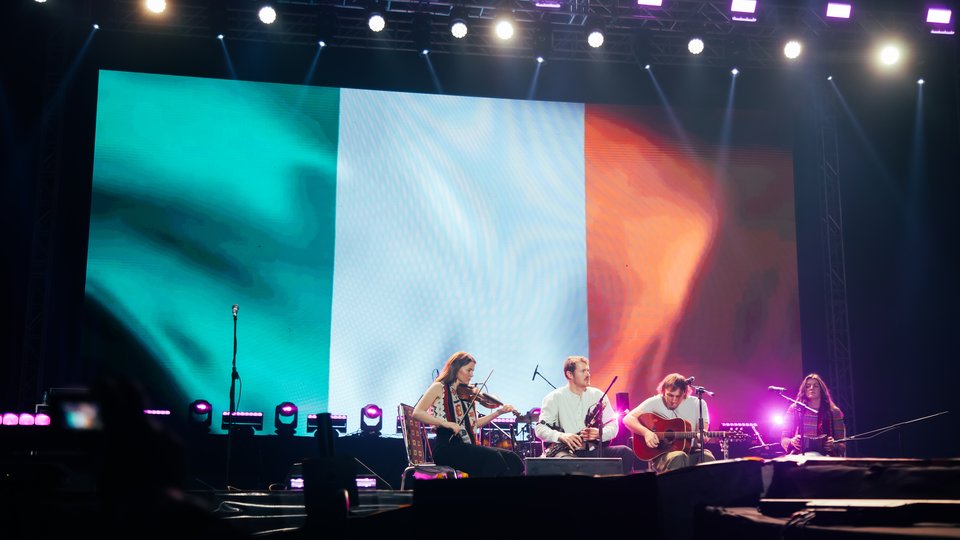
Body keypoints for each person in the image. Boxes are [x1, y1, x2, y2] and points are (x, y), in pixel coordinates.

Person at [412, 351, 525, 477]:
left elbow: (474, 424)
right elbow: (417, 413)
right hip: (446, 447)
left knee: (513, 460)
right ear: (456, 368)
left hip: (465, 445)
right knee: (493, 459)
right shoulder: (439, 387)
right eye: (468, 370)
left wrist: (498, 412)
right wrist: (445, 423)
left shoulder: (467, 392)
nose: (471, 375)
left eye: (473, 371)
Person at [534, 356, 636, 474]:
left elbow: (613, 426)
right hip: (566, 452)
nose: (588, 374)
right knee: (573, 464)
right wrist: (561, 436)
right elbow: (540, 429)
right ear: (569, 374)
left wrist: (599, 434)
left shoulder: (598, 395)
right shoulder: (553, 398)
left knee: (625, 452)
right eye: (583, 371)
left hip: (593, 451)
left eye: (588, 370)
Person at [623, 373, 715, 473]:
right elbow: (628, 419)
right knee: (678, 456)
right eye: (670, 395)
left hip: (692, 451)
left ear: (685, 393)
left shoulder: (698, 403)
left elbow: (703, 430)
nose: (674, 400)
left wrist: (702, 436)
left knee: (707, 457)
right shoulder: (654, 402)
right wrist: (646, 432)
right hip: (664, 453)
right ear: (663, 391)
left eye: (678, 396)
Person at [780, 373, 846, 456]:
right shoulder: (794, 409)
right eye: (808, 386)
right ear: (804, 390)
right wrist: (792, 442)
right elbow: (784, 440)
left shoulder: (833, 412)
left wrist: (834, 445)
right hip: (798, 457)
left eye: (816, 386)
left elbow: (842, 445)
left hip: (825, 458)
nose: (811, 388)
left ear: (821, 390)